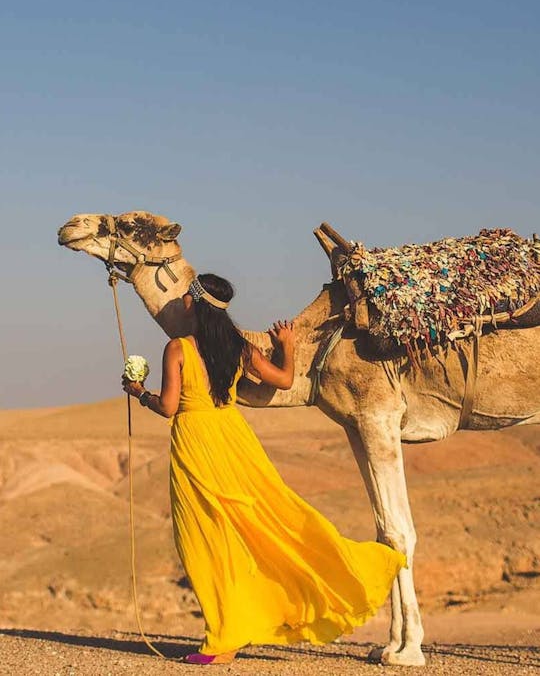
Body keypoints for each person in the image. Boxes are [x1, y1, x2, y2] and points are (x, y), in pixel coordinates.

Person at [122, 273, 406, 665]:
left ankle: (222, 638)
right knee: (267, 524)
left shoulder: (177, 348)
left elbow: (169, 408)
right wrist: (285, 346)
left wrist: (139, 392)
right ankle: (232, 631)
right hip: (234, 440)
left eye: (188, 294)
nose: (183, 299)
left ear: (195, 303)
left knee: (205, 542)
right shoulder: (238, 346)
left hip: (196, 443)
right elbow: (285, 379)